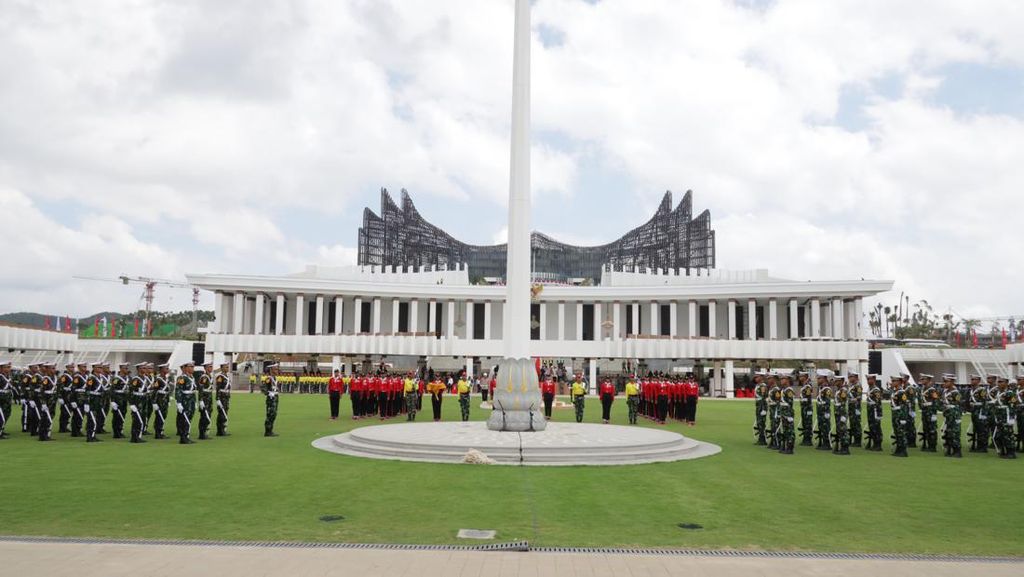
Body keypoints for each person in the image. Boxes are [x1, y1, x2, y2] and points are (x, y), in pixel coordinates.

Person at [992, 377, 1017, 459]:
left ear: (1006, 383)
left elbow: (1013, 405)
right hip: (999, 416)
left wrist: (1011, 419)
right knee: (1001, 434)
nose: (998, 383)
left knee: (1008, 434)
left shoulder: (1010, 393)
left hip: (1007, 416)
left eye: (1001, 382)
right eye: (998, 382)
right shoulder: (998, 392)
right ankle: (1003, 450)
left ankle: (1011, 452)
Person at [175, 361, 197, 444]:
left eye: (193, 367)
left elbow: (193, 391)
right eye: (190, 367)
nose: (192, 368)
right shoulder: (182, 378)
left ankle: (186, 436)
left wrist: (195, 402)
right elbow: (178, 390)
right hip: (185, 401)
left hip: (191, 401)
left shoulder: (191, 377)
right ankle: (183, 438)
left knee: (189, 419)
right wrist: (179, 403)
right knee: (185, 419)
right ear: (186, 368)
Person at [940, 374, 962, 458]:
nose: (944, 383)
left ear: (952, 382)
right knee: (948, 432)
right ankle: (949, 449)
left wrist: (957, 417)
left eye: (946, 381)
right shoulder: (945, 392)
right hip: (948, 414)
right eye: (944, 381)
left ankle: (957, 451)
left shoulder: (956, 392)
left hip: (954, 414)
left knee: (955, 433)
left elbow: (958, 404)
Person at [889, 375, 909, 457]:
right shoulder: (895, 391)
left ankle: (903, 450)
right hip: (895, 413)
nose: (892, 383)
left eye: (894, 381)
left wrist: (903, 418)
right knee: (897, 432)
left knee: (901, 433)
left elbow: (904, 406)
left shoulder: (902, 392)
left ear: (899, 382)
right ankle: (898, 449)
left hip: (900, 415)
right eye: (892, 381)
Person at [128, 363, 148, 444]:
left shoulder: (144, 378)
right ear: (139, 369)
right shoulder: (135, 379)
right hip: (137, 400)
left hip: (143, 400)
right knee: (137, 419)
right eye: (143, 368)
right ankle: (135, 436)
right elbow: (130, 391)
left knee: (142, 418)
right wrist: (132, 403)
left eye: (145, 368)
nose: (145, 369)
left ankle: (138, 436)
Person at [968, 375, 988, 453]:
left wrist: (983, 413)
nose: (972, 381)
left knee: (982, 429)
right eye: (971, 379)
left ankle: (983, 447)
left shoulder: (982, 390)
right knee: (975, 428)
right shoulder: (971, 390)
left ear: (978, 381)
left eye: (974, 379)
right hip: (974, 411)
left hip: (980, 411)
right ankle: (977, 445)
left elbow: (984, 402)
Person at [109, 363, 130, 440]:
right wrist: (113, 401)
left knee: (122, 415)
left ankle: (120, 431)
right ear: (121, 369)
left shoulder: (128, 378)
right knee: (117, 416)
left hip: (124, 399)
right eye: (125, 368)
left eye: (127, 368)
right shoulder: (116, 379)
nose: (126, 370)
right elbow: (112, 390)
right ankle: (116, 433)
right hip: (117, 399)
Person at [814, 370, 832, 451]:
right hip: (820, 412)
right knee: (821, 427)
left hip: (824, 412)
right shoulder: (821, 388)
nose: (817, 380)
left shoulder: (826, 389)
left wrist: (825, 411)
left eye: (819, 378)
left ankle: (827, 443)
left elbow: (827, 402)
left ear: (824, 378)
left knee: (826, 428)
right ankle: (822, 442)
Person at [864, 374, 884, 451]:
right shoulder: (870, 389)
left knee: (876, 428)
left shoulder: (876, 390)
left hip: (875, 411)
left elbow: (878, 402)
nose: (869, 381)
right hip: (870, 411)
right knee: (872, 427)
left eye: (870, 379)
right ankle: (874, 443)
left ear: (874, 380)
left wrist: (879, 414)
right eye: (868, 379)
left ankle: (878, 444)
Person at [832, 375, 850, 455]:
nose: (835, 382)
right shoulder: (838, 390)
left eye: (837, 380)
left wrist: (843, 415)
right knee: (839, 430)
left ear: (841, 381)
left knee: (843, 430)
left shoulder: (843, 390)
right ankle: (841, 447)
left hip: (841, 412)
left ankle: (845, 448)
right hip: (838, 412)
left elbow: (842, 403)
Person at [152, 363, 171, 439]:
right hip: (159, 400)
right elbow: (154, 391)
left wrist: (168, 400)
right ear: (162, 370)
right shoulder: (158, 379)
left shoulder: (166, 379)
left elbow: (167, 391)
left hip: (165, 399)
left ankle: (161, 431)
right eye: (166, 368)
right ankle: (158, 433)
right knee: (159, 416)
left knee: (163, 415)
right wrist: (154, 402)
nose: (168, 370)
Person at [777, 374, 795, 455]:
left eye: (783, 379)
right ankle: (786, 446)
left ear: (787, 380)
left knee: (790, 430)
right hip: (783, 413)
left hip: (788, 413)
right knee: (785, 430)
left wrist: (789, 415)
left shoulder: (789, 390)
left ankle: (790, 447)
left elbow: (790, 403)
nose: (781, 381)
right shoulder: (783, 390)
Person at [196, 363, 214, 440]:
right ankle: (202, 434)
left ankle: (205, 433)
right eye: (210, 367)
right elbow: (200, 389)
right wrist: (200, 400)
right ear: (206, 368)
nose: (211, 368)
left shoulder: (209, 376)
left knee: (208, 415)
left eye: (211, 367)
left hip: (209, 398)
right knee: (204, 416)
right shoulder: (204, 377)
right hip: (204, 398)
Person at [261, 364, 280, 437]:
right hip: (271, 399)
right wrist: (268, 393)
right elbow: (263, 388)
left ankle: (270, 430)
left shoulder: (274, 378)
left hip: (275, 398)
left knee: (274, 414)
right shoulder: (268, 378)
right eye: (275, 369)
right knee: (270, 414)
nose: (277, 370)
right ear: (271, 370)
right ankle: (267, 431)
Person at [214, 362, 232, 436]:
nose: (227, 368)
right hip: (221, 397)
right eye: (225, 367)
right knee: (221, 413)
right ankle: (220, 430)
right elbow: (218, 388)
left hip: (226, 397)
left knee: (225, 413)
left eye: (227, 367)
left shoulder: (226, 376)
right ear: (222, 368)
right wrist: (217, 399)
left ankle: (223, 429)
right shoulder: (220, 377)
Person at [797, 371, 814, 446]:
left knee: (808, 423)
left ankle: (808, 439)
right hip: (804, 407)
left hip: (807, 408)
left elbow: (808, 397)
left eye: (802, 376)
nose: (800, 378)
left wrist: (802, 400)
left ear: (806, 376)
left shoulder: (808, 386)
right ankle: (805, 438)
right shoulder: (804, 385)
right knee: (804, 423)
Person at [57, 363, 74, 433]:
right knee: (64, 412)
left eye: (73, 367)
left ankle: (66, 426)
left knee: (69, 412)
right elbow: (60, 386)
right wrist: (60, 397)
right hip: (65, 396)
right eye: (71, 367)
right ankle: (62, 427)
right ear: (67, 368)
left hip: (71, 396)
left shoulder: (73, 375)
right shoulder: (64, 376)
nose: (72, 368)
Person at [847, 373, 863, 448]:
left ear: (855, 377)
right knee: (852, 423)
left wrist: (850, 400)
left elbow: (859, 397)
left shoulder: (858, 386)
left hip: (856, 408)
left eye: (851, 377)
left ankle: (858, 440)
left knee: (856, 424)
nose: (849, 378)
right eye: (849, 377)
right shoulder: (850, 386)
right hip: (851, 408)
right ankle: (854, 439)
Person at [753, 371, 768, 445]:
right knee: (759, 422)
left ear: (761, 377)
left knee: (761, 422)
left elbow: (763, 397)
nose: (756, 378)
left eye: (757, 376)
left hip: (762, 405)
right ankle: (761, 438)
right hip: (758, 405)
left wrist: (763, 409)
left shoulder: (763, 386)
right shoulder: (758, 385)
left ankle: (763, 439)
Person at [766, 374, 781, 449]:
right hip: (771, 410)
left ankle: (777, 442)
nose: (768, 380)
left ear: (774, 379)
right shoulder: (771, 389)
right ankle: (773, 441)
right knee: (773, 425)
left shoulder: (776, 389)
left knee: (776, 425)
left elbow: (778, 401)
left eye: (769, 378)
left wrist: (777, 412)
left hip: (775, 410)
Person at [0, 361, 12, 439]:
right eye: (6, 367)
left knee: (6, 414)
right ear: (1, 368)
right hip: (1, 397)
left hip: (7, 398)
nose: (9, 369)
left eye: (9, 367)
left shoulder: (7, 376)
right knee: (1, 416)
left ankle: (2, 429)